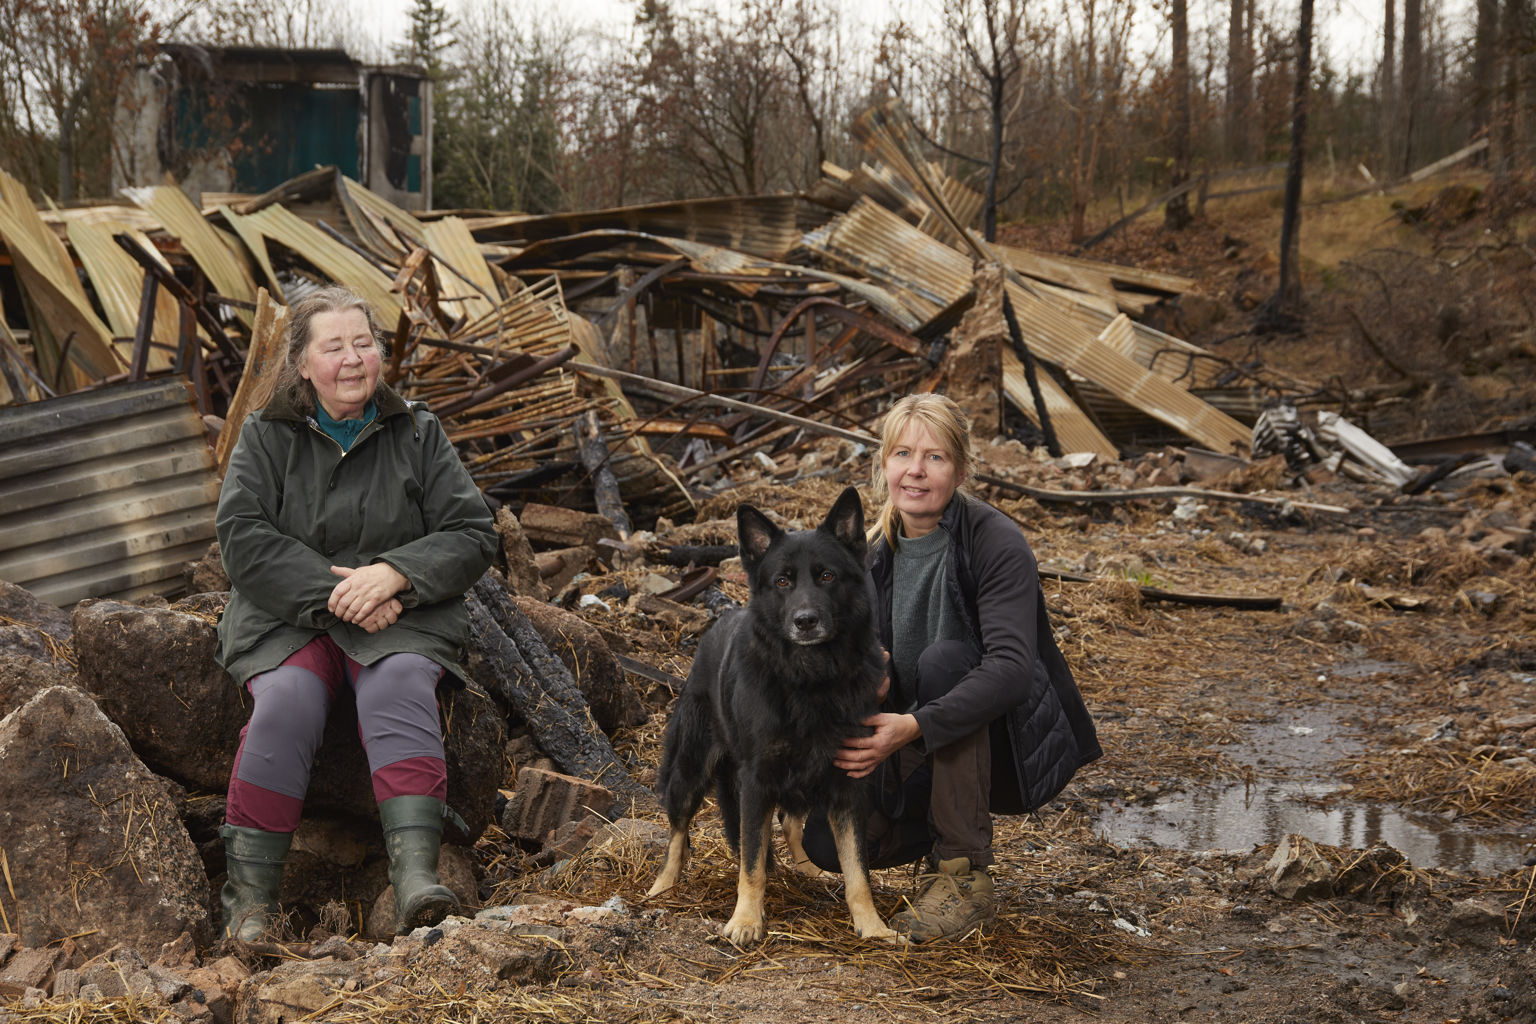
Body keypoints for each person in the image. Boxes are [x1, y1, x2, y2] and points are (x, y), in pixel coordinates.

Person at [213, 285, 497, 941]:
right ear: (302, 364)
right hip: (289, 616)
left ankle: (416, 878)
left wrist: (395, 573)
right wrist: (338, 591)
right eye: (333, 347)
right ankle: (251, 904)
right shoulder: (265, 437)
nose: (352, 359)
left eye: (363, 344)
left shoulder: (419, 432)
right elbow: (244, 539)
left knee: (399, 684)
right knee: (285, 701)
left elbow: (472, 533)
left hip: (398, 612)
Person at [805, 393, 1101, 942]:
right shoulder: (868, 555)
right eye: (901, 454)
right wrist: (874, 677)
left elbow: (1012, 669)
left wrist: (913, 725)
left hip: (1002, 743)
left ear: (961, 469)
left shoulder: (995, 541)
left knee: (947, 661)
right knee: (825, 846)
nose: (915, 471)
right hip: (912, 742)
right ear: (883, 464)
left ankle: (963, 874)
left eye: (935, 458)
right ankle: (936, 834)